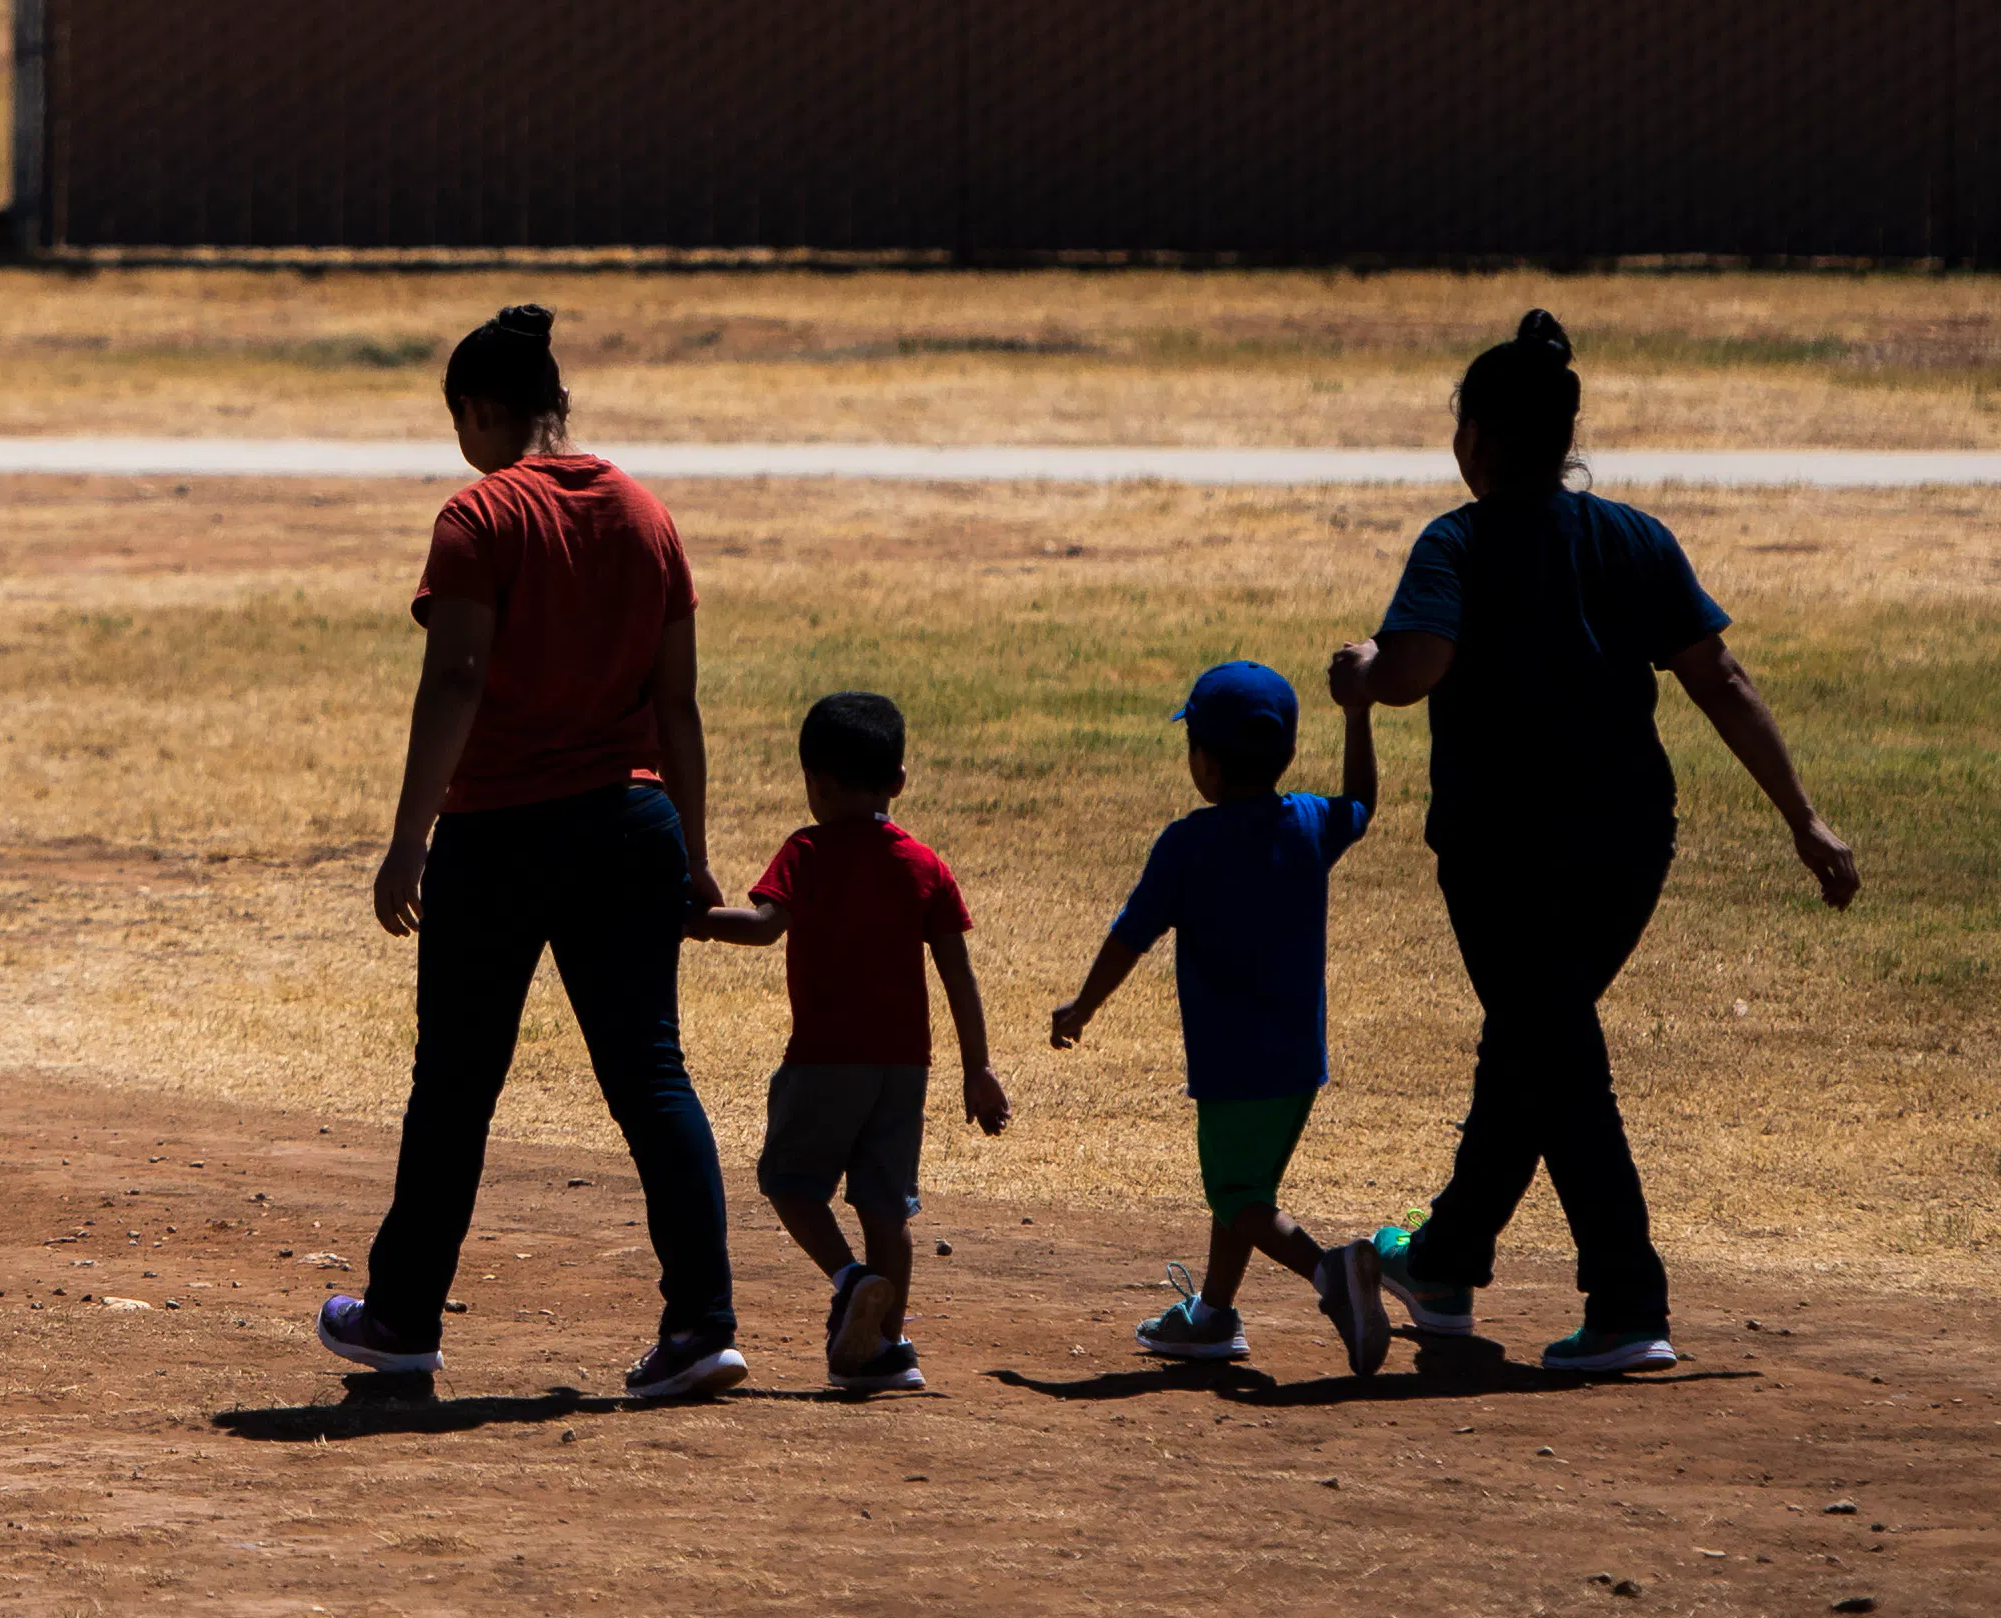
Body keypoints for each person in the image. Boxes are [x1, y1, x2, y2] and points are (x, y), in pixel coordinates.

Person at [1323, 310, 1863, 1379]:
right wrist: (1800, 816)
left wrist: (1360, 675)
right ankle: (1441, 1259)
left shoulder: (1457, 540)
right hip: (1626, 843)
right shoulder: (1629, 538)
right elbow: (1719, 679)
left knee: (1554, 1058)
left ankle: (1624, 1299)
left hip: (1503, 851)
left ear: (1474, 438)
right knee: (1533, 1044)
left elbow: (1419, 660)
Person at [314, 304, 749, 1404]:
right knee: (651, 1076)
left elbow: (456, 677)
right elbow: (679, 704)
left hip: (500, 830)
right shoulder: (645, 516)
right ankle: (702, 1324)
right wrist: (693, 854)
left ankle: (403, 1322)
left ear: (477, 410)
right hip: (627, 825)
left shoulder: (477, 514)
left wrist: (407, 840)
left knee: (455, 1085)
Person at [1043, 656, 1385, 1374]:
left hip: (1233, 1063)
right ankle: (1213, 1316)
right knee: (1243, 1187)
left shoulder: (1188, 845)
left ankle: (1333, 1276)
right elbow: (1361, 800)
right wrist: (1358, 715)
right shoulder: (1310, 822)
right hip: (1298, 1059)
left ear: (1205, 763)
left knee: (1237, 1193)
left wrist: (1082, 1006)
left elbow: (1130, 935)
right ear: (1288, 752)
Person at [688, 689, 1009, 1393]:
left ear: (817, 783)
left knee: (790, 1182)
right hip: (905, 1067)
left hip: (826, 1059)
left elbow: (763, 925)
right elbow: (958, 971)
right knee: (887, 1206)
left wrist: (696, 920)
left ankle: (850, 1278)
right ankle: (886, 1349)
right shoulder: (924, 864)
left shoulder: (807, 848)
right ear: (899, 780)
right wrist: (978, 1066)